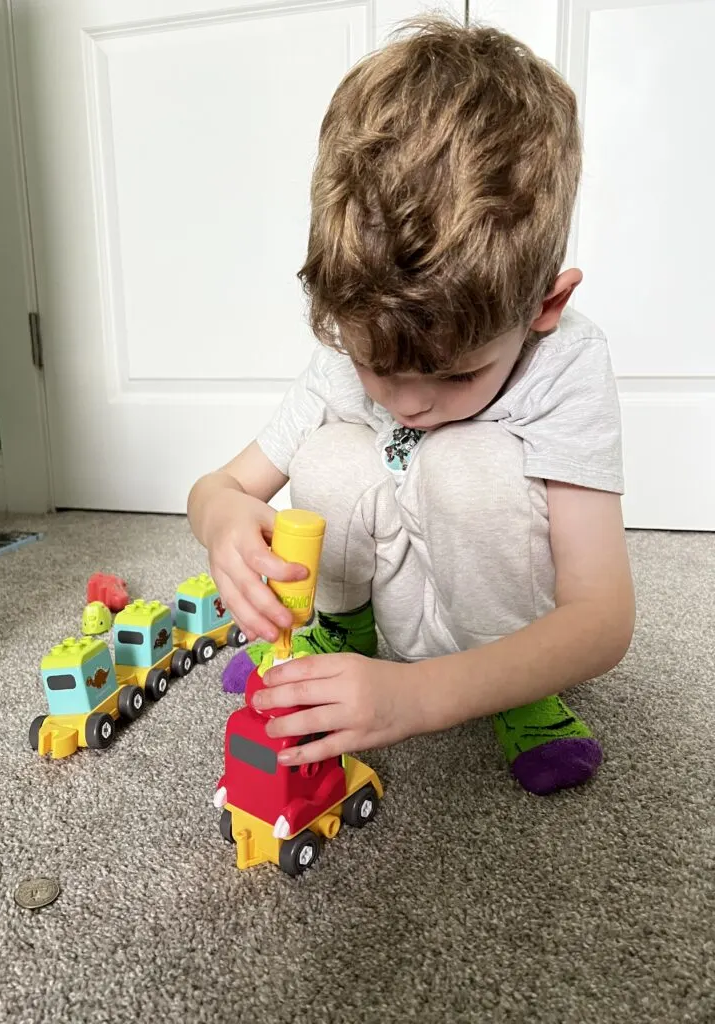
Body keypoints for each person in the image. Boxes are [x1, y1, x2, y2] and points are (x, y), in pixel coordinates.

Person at [187, 17, 635, 796]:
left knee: (469, 461)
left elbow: (602, 616)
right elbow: (217, 488)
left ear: (546, 305)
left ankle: (520, 695)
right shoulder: (344, 351)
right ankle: (338, 635)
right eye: (375, 367)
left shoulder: (568, 362)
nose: (410, 403)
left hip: (497, 633)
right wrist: (224, 525)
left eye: (457, 377)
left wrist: (417, 699)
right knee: (326, 451)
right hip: (389, 606)